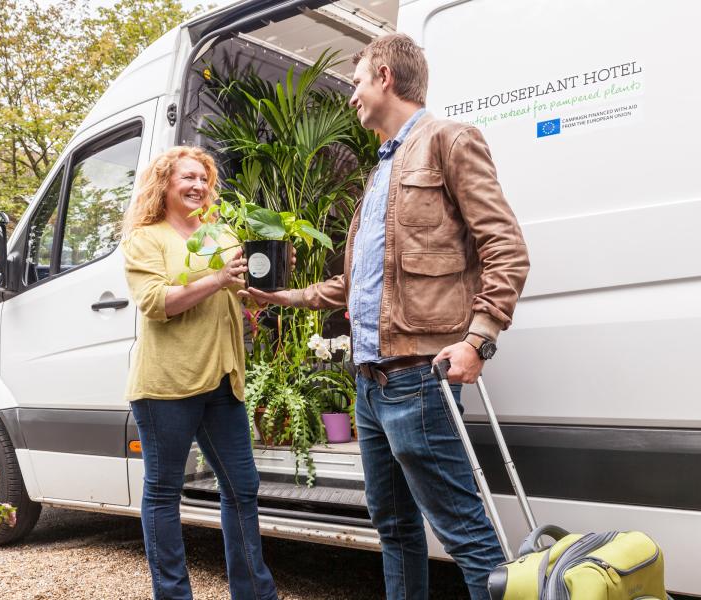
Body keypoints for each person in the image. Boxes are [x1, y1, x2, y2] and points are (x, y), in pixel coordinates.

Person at [244, 34, 529, 599]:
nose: (350, 96)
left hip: (420, 381)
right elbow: (353, 288)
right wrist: (273, 299)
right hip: (369, 385)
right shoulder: (379, 174)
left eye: (355, 83)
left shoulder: (449, 140)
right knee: (395, 531)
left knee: (468, 536)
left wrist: (479, 339)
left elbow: (506, 249)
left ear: (384, 77)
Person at [120, 146, 277, 600]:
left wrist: (263, 291)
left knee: (242, 487)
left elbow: (235, 288)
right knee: (165, 493)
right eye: (188, 177)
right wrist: (216, 280)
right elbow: (155, 302)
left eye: (204, 179)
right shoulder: (146, 238)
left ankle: (254, 593)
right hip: (168, 385)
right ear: (164, 184)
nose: (198, 186)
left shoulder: (217, 232)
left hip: (222, 379)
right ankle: (173, 595)